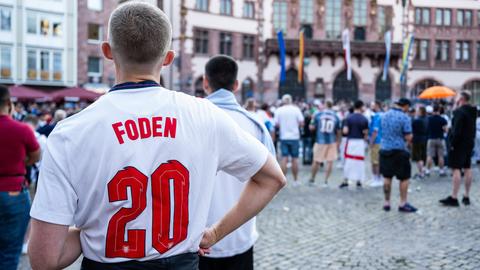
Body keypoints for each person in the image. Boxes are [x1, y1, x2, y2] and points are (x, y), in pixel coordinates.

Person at [28, 3, 286, 270]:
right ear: (168, 58)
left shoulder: (70, 133)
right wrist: (215, 233)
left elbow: (45, 260)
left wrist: (92, 232)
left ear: (107, 51)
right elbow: (272, 178)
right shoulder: (205, 116)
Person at [199, 55, 276, 270]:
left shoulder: (188, 119)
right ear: (236, 85)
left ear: (205, 82)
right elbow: (271, 182)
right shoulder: (256, 125)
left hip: (194, 239)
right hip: (239, 235)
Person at [0, 86, 41, 270]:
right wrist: (20, 162)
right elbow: (36, 155)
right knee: (10, 252)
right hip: (13, 191)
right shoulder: (22, 130)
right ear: (9, 104)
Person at [440, 92, 477, 207]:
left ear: (461, 99)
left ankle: (454, 197)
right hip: (469, 142)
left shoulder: (459, 112)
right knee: (467, 167)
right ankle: (466, 196)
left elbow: (457, 131)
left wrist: (451, 139)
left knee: (456, 169)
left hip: (459, 143)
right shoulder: (473, 111)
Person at [380, 98, 417, 213]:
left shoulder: (384, 115)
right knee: (404, 178)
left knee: (387, 177)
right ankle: (402, 203)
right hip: (400, 150)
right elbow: (408, 137)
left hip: (385, 149)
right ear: (405, 106)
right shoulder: (405, 117)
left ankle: (386, 202)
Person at [308, 100, 341, 186]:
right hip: (332, 141)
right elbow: (338, 131)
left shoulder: (318, 114)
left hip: (320, 140)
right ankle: (326, 181)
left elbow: (311, 127)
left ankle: (312, 179)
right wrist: (338, 141)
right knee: (330, 162)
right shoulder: (336, 116)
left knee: (316, 161)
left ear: (325, 105)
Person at [274, 94, 304, 185]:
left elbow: (276, 124)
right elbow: (302, 123)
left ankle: (283, 181)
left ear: (283, 101)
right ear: (291, 100)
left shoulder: (279, 110)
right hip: (294, 137)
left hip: (284, 137)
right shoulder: (296, 109)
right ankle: (295, 180)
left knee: (284, 158)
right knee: (295, 159)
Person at [340, 101, 368, 188]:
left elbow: (345, 131)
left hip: (351, 141)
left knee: (348, 160)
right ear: (360, 107)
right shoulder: (364, 119)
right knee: (359, 161)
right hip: (360, 142)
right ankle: (359, 180)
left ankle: (345, 180)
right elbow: (365, 132)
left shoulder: (348, 118)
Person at [425, 105, 448, 177]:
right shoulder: (442, 119)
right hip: (440, 138)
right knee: (441, 156)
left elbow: (426, 128)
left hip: (431, 138)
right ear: (439, 110)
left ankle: (427, 171)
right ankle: (441, 171)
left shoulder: (429, 119)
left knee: (429, 155)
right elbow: (446, 130)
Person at [369, 101, 383, 187]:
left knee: (375, 161)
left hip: (376, 141)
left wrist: (371, 141)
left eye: (372, 105)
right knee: (376, 161)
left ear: (377, 106)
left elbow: (375, 131)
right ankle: (376, 178)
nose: (371, 107)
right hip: (380, 140)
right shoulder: (381, 115)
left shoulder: (377, 116)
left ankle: (377, 179)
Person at [411, 107, 428, 179]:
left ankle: (421, 173)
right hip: (425, 139)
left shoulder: (416, 121)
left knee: (418, 157)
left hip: (417, 139)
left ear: (420, 111)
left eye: (418, 111)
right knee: (423, 156)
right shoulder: (427, 119)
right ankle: (423, 171)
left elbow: (411, 130)